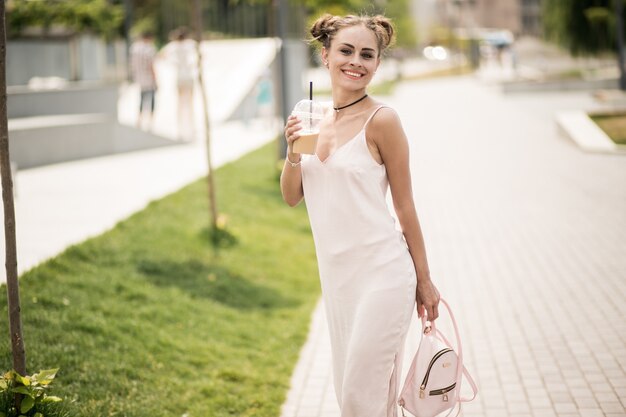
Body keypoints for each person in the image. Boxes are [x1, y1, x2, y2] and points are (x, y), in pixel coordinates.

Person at [280, 14, 441, 417]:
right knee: (357, 397)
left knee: (358, 397)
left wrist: (424, 280)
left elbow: (405, 207)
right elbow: (291, 196)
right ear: (326, 56)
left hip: (384, 276)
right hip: (338, 282)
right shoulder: (312, 118)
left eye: (367, 54)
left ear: (377, 64)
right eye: (346, 51)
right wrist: (291, 152)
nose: (357, 61)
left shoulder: (382, 121)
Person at [158, 27, 198, 140]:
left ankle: (180, 128)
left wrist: (173, 63)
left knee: (180, 104)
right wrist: (192, 64)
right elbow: (201, 55)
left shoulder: (173, 46)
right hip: (189, 77)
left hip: (179, 77)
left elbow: (161, 55)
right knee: (190, 103)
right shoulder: (190, 44)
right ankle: (191, 127)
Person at [129, 31, 157, 129]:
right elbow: (151, 65)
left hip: (139, 77)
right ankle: (151, 121)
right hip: (148, 77)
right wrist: (155, 78)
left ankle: (139, 119)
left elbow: (132, 64)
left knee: (142, 98)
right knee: (152, 99)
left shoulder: (135, 48)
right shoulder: (149, 49)